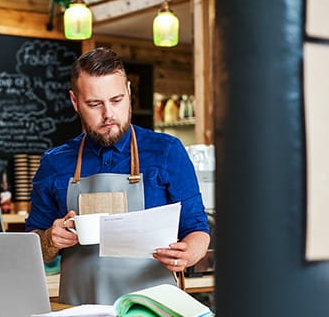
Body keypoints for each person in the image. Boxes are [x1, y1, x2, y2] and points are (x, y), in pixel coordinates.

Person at [26, 47, 210, 305]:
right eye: (94, 104)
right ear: (75, 102)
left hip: (151, 309)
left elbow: (197, 229)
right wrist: (50, 239)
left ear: (129, 92)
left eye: (116, 100)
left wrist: (188, 252)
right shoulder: (54, 162)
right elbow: (33, 249)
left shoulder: (167, 151)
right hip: (80, 309)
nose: (108, 114)